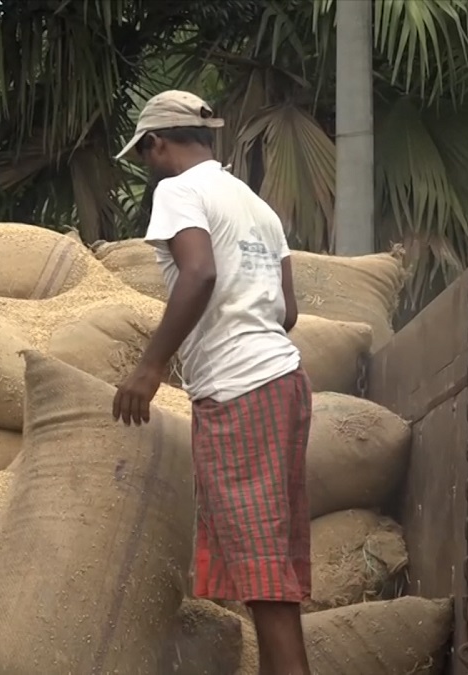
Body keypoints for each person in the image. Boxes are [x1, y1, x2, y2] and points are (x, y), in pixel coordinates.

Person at [111, 91, 312, 675]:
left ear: (157, 142)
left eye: (145, 153)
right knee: (271, 559)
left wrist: (149, 369)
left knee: (262, 566)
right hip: (283, 381)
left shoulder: (179, 191)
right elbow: (288, 310)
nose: (149, 165)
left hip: (239, 388)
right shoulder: (257, 206)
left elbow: (198, 273)